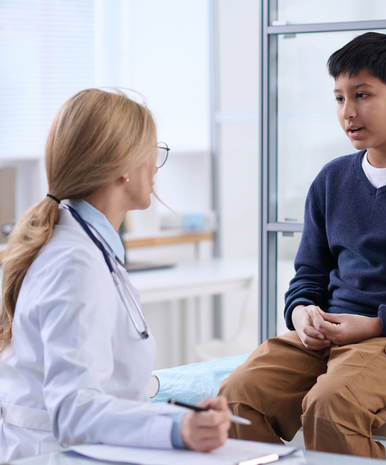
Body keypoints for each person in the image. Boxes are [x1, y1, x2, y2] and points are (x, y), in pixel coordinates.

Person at [219, 32, 386, 459]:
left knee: (331, 403)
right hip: (332, 333)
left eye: (363, 94)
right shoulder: (331, 179)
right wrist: (301, 313)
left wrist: (373, 325)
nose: (348, 112)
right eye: (338, 98)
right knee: (235, 399)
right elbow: (308, 276)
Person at [0, 89, 231, 461]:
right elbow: (74, 411)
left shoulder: (85, 246)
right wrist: (176, 428)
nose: (155, 168)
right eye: (152, 153)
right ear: (123, 166)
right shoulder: (74, 263)